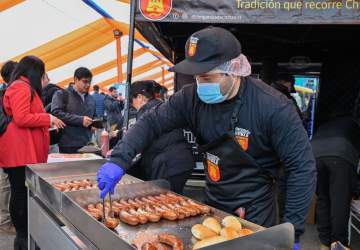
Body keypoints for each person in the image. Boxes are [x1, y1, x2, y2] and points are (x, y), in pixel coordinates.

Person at [96, 27, 316, 248]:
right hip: (213, 202)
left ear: (233, 70)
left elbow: (301, 168)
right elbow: (151, 123)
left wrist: (292, 231)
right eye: (197, 77)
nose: (200, 84)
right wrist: (119, 160)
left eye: (207, 77)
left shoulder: (273, 107)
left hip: (255, 207)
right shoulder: (190, 98)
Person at [0, 56, 64, 249]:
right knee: (19, 192)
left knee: (20, 192)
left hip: (22, 149)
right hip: (19, 151)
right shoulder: (21, 87)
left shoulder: (22, 86)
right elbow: (21, 117)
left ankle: (24, 236)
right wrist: (48, 118)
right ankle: (22, 237)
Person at [128, 80, 195, 194]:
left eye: (132, 101)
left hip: (168, 164)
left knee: (164, 199)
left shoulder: (147, 111)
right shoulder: (161, 106)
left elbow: (141, 137)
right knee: (174, 197)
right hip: (182, 160)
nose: (133, 106)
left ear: (139, 97)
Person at [311, 117, 360, 249]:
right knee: (340, 201)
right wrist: (356, 190)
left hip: (314, 153)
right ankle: (339, 244)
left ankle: (324, 243)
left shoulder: (329, 122)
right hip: (340, 153)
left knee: (323, 198)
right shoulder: (355, 124)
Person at [51, 67, 96, 154]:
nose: (87, 85)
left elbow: (94, 115)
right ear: (75, 79)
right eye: (85, 81)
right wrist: (80, 120)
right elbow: (56, 113)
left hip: (86, 144)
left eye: (89, 82)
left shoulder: (91, 99)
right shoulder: (62, 94)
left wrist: (94, 123)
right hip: (68, 144)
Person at [0, 60, 18, 235]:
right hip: (4, 148)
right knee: (5, 185)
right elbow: (2, 123)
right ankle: (4, 222)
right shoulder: (3, 95)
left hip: (11, 148)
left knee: (10, 185)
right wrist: (19, 119)